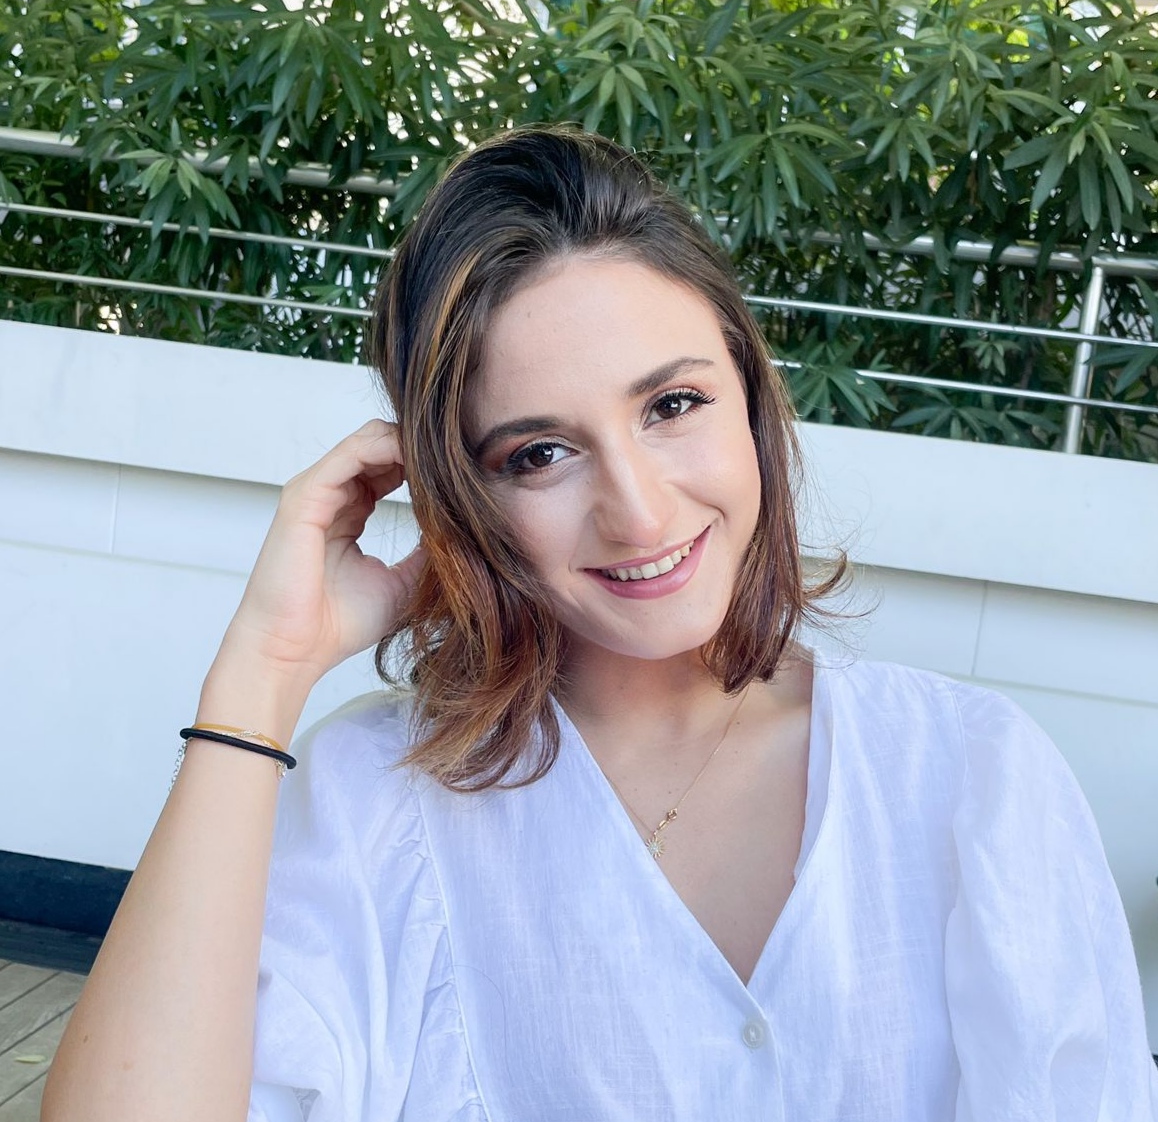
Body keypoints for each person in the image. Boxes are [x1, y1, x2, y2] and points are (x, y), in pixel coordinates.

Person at [42, 127, 1158, 1122]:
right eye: (540, 453)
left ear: (750, 395)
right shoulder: (374, 804)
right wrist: (262, 673)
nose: (639, 512)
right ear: (461, 494)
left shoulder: (971, 778)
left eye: (673, 404)